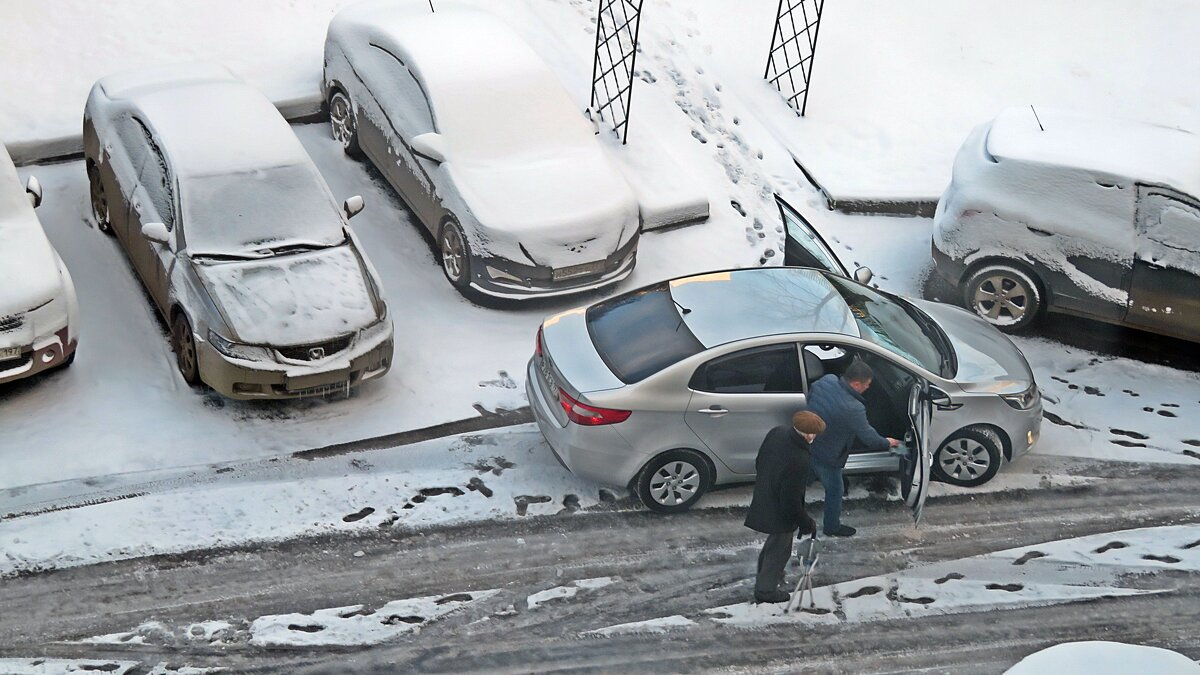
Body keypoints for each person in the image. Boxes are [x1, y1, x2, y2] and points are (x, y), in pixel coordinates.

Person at [806, 360, 901, 538]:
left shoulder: (827, 380)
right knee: (835, 490)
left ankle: (790, 504)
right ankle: (832, 527)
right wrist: (888, 442)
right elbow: (870, 439)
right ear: (856, 384)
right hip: (828, 455)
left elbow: (811, 397)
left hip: (809, 443)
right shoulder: (853, 408)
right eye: (867, 385)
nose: (867, 388)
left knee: (805, 477)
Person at [744, 410, 826, 604]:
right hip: (779, 510)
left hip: (765, 493)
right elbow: (790, 499)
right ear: (809, 434)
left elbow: (759, 461)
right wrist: (805, 522)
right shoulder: (799, 458)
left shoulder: (777, 432)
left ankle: (768, 576)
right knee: (779, 551)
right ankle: (766, 591)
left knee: (773, 546)